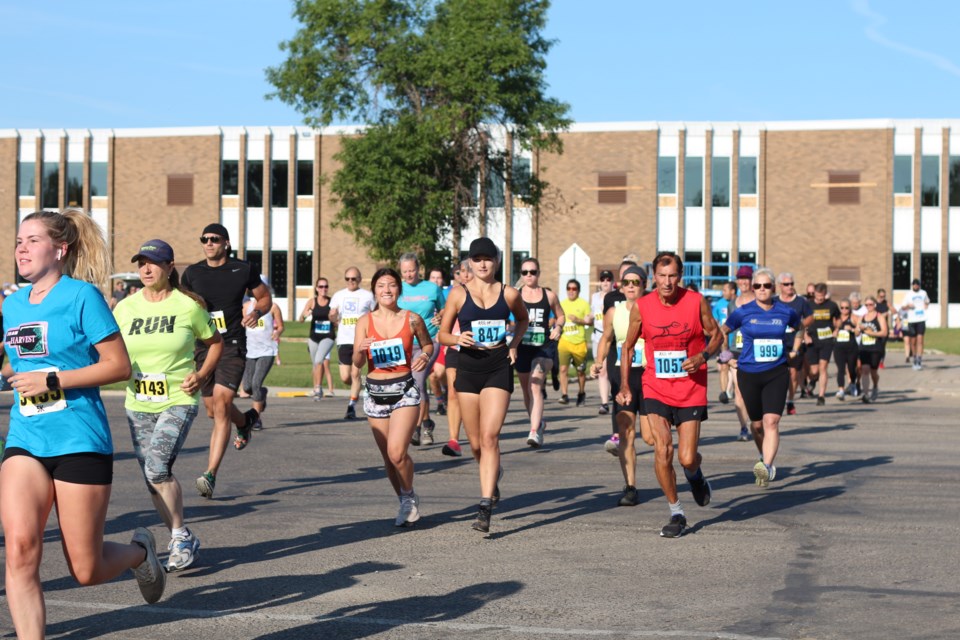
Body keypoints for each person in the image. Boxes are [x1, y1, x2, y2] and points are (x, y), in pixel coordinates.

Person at [1, 210, 166, 637]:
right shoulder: (12, 304)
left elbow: (119, 365)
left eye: (32, 240)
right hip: (26, 438)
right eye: (19, 240)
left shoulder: (82, 297)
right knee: (19, 550)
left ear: (60, 249)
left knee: (86, 570)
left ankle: (138, 553)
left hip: (79, 439)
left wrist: (52, 378)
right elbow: (20, 360)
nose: (21, 248)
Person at [114, 239, 223, 571]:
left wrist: (203, 374)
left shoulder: (187, 306)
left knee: (157, 468)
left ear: (169, 267)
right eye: (141, 263)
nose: (146, 269)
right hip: (138, 401)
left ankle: (178, 536)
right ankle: (183, 536)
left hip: (178, 398)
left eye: (153, 263)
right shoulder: (125, 308)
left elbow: (215, 342)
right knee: (152, 478)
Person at [617, 251, 723, 538]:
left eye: (673, 276)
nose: (667, 282)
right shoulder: (642, 306)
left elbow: (717, 336)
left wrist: (702, 357)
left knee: (687, 458)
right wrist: (625, 385)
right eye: (662, 276)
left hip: (690, 388)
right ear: (653, 277)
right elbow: (627, 347)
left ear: (681, 276)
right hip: (655, 387)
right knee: (662, 449)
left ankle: (695, 476)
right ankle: (676, 512)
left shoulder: (695, 301)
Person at [438, 237, 528, 534]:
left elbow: (523, 321)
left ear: (496, 261)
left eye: (487, 258)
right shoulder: (458, 294)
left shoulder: (509, 293)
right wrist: (456, 339)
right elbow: (441, 335)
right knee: (475, 443)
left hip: (497, 368)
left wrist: (513, 344)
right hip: (468, 370)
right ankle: (493, 473)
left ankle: (485, 505)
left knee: (490, 437)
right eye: (477, 259)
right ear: (470, 262)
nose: (482, 264)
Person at [182, 223, 272, 499]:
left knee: (221, 404)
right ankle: (244, 422)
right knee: (212, 410)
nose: (209, 243)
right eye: (204, 239)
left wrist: (257, 312)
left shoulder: (242, 269)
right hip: (203, 347)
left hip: (232, 345)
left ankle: (210, 474)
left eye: (214, 239)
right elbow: (181, 305)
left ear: (226, 243)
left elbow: (265, 297)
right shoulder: (193, 273)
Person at [353, 268, 434, 526]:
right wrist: (360, 349)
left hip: (404, 392)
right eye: (381, 286)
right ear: (374, 290)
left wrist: (423, 355)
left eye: (391, 285)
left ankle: (409, 496)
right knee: (388, 457)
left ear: (399, 289)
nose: (386, 290)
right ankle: (403, 501)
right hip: (375, 394)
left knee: (397, 452)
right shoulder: (364, 322)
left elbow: (428, 344)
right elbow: (356, 361)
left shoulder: (412, 319)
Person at [721, 268, 802, 488]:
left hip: (776, 373)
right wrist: (726, 357)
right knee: (757, 426)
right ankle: (762, 456)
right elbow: (721, 332)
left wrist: (794, 349)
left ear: (773, 288)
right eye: (758, 286)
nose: (762, 289)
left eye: (766, 286)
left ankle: (766, 466)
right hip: (749, 374)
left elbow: (800, 328)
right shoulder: (743, 312)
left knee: (771, 422)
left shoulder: (785, 312)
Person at [592, 265, 653, 506]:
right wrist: (598, 362)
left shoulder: (652, 310)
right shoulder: (614, 312)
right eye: (626, 282)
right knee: (626, 432)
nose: (630, 286)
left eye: (635, 282)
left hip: (648, 376)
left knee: (649, 437)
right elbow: (606, 339)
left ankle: (665, 472)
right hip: (622, 376)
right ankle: (630, 487)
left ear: (644, 285)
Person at [515, 258, 564, 448]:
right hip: (522, 346)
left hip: (543, 346)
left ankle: (534, 431)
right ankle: (539, 423)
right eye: (525, 272)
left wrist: (558, 327)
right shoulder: (515, 295)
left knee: (535, 384)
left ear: (539, 273)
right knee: (528, 390)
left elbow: (561, 315)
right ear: (521, 274)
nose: (529, 275)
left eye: (533, 272)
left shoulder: (549, 295)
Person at [397, 253, 445, 446]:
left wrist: (441, 316)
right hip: (404, 343)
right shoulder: (397, 289)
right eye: (405, 271)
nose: (409, 275)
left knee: (417, 380)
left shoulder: (432, 288)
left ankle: (416, 429)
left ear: (419, 270)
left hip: (428, 341)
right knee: (409, 384)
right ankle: (427, 423)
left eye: (412, 270)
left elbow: (445, 307)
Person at [329, 266, 376, 419]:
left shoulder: (367, 296)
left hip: (360, 340)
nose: (350, 282)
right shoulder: (338, 295)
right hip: (343, 339)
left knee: (355, 373)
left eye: (353, 279)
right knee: (345, 377)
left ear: (360, 279)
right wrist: (333, 315)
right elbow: (332, 318)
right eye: (347, 279)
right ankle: (362, 385)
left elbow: (375, 314)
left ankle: (351, 406)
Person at [440, 260, 472, 457]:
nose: (465, 275)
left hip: (477, 349)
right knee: (453, 390)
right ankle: (454, 441)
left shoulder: (484, 292)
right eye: (462, 272)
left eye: (468, 271)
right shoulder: (455, 294)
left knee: (471, 396)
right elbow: (447, 316)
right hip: (454, 347)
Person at [240, 283, 284, 428]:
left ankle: (256, 418)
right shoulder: (246, 307)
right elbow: (242, 325)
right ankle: (262, 394)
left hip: (267, 350)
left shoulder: (273, 307)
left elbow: (281, 326)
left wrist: (277, 332)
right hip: (250, 351)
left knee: (256, 383)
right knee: (247, 387)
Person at [776, 272, 813, 415]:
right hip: (777, 342)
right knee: (778, 373)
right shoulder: (774, 301)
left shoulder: (801, 301)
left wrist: (800, 324)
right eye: (786, 284)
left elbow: (810, 317)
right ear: (780, 286)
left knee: (793, 373)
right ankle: (776, 400)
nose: (790, 286)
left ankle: (790, 401)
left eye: (792, 283)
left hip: (796, 342)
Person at [298, 276, 336, 399]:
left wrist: (333, 318)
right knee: (315, 364)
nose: (323, 289)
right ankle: (316, 388)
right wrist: (305, 315)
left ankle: (318, 388)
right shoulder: (312, 301)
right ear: (316, 288)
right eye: (321, 286)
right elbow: (300, 320)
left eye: (326, 286)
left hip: (328, 336)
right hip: (313, 337)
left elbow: (336, 322)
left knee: (319, 360)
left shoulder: (332, 301)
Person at [557, 278, 593, 406]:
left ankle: (581, 392)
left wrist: (579, 320)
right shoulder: (562, 304)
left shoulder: (583, 304)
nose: (571, 291)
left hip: (579, 343)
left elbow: (590, 321)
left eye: (574, 289)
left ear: (578, 291)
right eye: (569, 288)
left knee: (580, 371)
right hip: (565, 341)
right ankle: (564, 394)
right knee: (563, 369)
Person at [730, 266, 755, 440]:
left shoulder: (759, 300)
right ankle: (743, 427)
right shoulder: (733, 304)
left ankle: (756, 423)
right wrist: (725, 353)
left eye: (747, 278)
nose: (744, 281)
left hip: (755, 351)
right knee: (739, 391)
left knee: (752, 391)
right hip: (736, 350)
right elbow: (724, 329)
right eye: (741, 278)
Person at [806, 283, 841, 405]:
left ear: (825, 294)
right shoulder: (808, 305)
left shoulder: (832, 305)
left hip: (826, 340)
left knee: (823, 367)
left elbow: (838, 318)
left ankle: (821, 396)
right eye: (818, 295)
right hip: (812, 340)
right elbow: (801, 321)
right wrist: (805, 335)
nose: (820, 298)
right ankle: (813, 380)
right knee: (814, 371)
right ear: (814, 293)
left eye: (822, 295)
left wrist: (837, 329)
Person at [591, 270, 615, 414]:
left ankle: (613, 393)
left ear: (612, 282)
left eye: (608, 279)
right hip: (598, 336)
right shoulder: (594, 297)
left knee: (611, 370)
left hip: (612, 337)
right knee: (602, 370)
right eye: (603, 280)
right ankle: (604, 403)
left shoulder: (616, 296)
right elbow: (592, 315)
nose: (605, 282)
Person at [856, 295, 887, 402]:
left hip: (876, 348)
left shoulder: (879, 316)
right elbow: (856, 333)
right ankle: (865, 395)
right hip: (864, 348)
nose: (868, 306)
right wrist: (859, 328)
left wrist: (872, 333)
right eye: (866, 305)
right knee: (864, 370)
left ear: (875, 305)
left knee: (873, 372)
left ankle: (875, 386)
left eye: (870, 304)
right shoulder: (861, 317)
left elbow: (884, 332)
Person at [427, 267, 449, 416]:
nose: (436, 280)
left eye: (438, 277)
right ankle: (441, 401)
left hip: (443, 340)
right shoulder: (424, 294)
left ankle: (447, 388)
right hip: (426, 340)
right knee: (432, 376)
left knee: (439, 373)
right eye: (433, 277)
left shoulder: (448, 294)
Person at [711, 281, 737, 404]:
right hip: (724, 341)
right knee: (724, 366)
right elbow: (714, 321)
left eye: (725, 290)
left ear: (732, 291)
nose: (723, 293)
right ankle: (724, 392)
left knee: (737, 369)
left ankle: (737, 392)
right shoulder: (719, 304)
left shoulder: (739, 304)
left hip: (737, 342)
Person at [833, 299, 860, 400]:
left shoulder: (854, 318)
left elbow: (858, 332)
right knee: (840, 369)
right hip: (839, 348)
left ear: (850, 308)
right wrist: (834, 332)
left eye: (847, 308)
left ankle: (852, 384)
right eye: (842, 308)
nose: (844, 310)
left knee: (851, 368)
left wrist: (852, 329)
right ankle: (841, 390)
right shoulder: (836, 319)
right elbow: (832, 331)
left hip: (851, 348)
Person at [901, 278, 930, 370]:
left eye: (917, 284)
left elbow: (927, 301)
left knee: (920, 339)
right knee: (913, 342)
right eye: (914, 284)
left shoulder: (923, 293)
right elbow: (903, 307)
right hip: (911, 320)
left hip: (921, 319)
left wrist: (926, 304)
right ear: (912, 285)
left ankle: (919, 359)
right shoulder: (908, 294)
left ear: (919, 285)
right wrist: (908, 306)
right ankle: (914, 357)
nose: (916, 286)